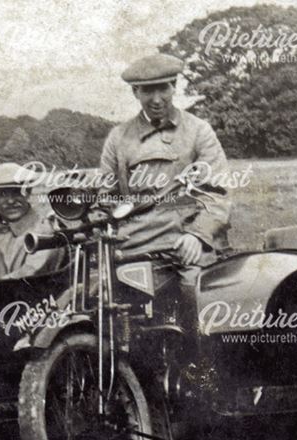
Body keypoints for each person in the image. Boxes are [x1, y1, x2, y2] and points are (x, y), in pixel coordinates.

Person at [96, 52, 232, 332]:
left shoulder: (198, 131)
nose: (157, 98)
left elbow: (217, 192)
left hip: (185, 245)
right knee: (99, 302)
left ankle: (196, 370)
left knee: (196, 298)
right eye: (148, 90)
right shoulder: (118, 138)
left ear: (174, 86)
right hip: (136, 245)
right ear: (135, 92)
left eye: (163, 88)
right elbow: (105, 195)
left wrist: (197, 235)